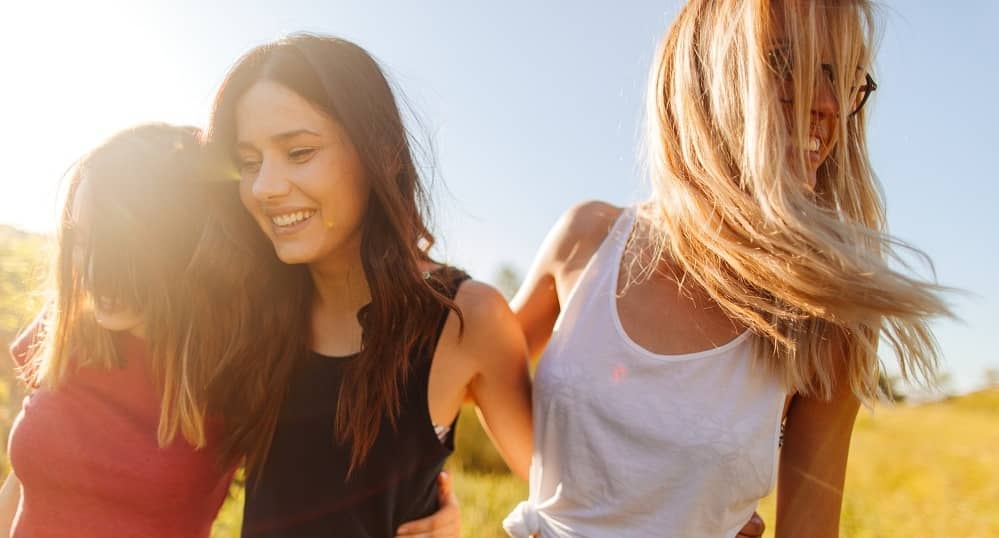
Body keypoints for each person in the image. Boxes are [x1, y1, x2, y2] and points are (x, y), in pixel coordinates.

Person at [503, 1, 950, 537]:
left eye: (846, 78)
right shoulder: (589, 237)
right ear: (706, 75)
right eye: (792, 63)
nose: (828, 103)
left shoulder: (830, 317)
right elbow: (471, 365)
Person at [0, 123, 462, 538]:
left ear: (184, 245)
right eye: (82, 239)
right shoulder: (67, 331)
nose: (97, 275)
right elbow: (24, 483)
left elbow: (356, 460)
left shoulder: (240, 366)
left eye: (124, 250)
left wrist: (433, 505)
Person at [205, 34, 534, 538]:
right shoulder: (245, 305)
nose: (265, 186)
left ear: (381, 152)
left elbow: (567, 507)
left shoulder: (467, 319)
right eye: (250, 162)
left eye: (298, 151)